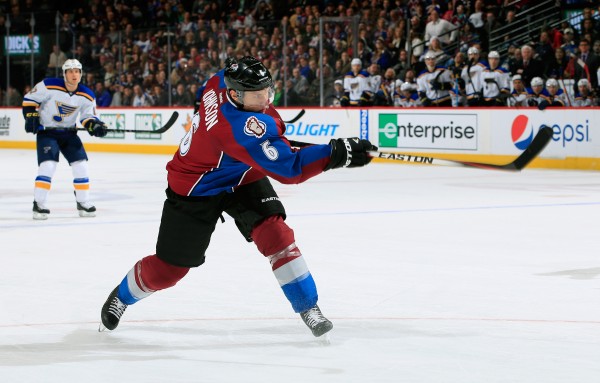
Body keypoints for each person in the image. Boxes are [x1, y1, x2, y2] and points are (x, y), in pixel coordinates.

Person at [99, 56, 376, 338]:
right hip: (196, 187)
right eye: (258, 95)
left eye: (267, 90)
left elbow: (262, 132)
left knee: (276, 235)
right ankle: (121, 297)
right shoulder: (235, 127)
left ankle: (308, 307)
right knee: (171, 269)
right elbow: (290, 169)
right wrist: (336, 153)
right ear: (235, 95)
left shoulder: (220, 80)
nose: (266, 99)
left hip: (240, 174)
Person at [21, 59, 107, 220]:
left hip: (69, 134)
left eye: (77, 71)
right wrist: (31, 115)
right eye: (70, 71)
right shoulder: (48, 85)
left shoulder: (87, 94)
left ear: (81, 74)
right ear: (64, 73)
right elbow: (29, 100)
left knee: (81, 166)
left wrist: (94, 125)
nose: (74, 74)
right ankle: (39, 204)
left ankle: (83, 202)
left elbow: (88, 117)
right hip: (47, 133)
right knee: (48, 166)